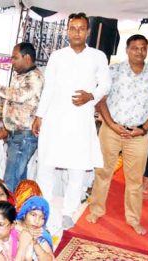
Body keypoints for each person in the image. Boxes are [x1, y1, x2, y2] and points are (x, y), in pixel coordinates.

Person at [33, 12, 111, 231]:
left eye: (81, 28)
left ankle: (68, 211)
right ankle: (43, 208)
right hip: (54, 119)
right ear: (67, 30)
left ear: (88, 31)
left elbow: (105, 84)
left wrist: (91, 96)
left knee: (77, 169)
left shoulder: (98, 56)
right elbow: (48, 88)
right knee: (46, 166)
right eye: (72, 27)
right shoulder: (57, 56)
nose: (76, 32)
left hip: (80, 121)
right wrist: (40, 115)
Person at [86, 34, 148, 235]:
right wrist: (112, 125)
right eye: (135, 48)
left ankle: (133, 219)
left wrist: (144, 129)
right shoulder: (113, 71)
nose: (139, 52)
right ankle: (96, 210)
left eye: (142, 48)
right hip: (112, 130)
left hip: (139, 135)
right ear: (127, 50)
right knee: (103, 172)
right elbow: (100, 100)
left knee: (135, 180)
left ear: (146, 50)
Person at [0, 42, 44, 192]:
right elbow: (13, 101)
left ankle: (7, 213)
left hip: (24, 136)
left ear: (27, 58)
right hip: (17, 135)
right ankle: (19, 211)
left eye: (15, 58)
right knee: (19, 180)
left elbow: (19, 95)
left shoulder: (35, 77)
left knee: (11, 180)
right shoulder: (20, 76)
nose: (12, 61)